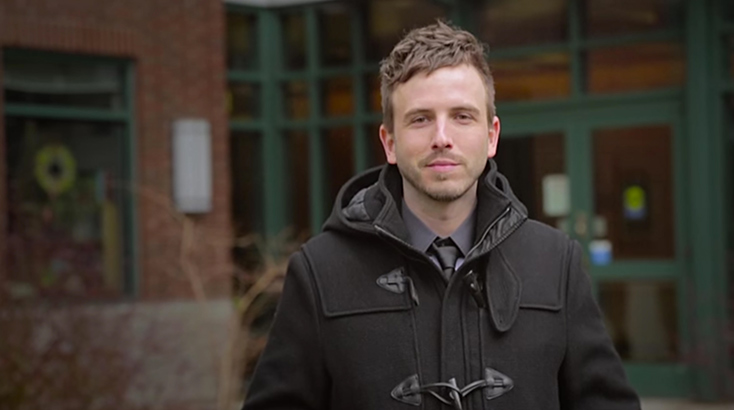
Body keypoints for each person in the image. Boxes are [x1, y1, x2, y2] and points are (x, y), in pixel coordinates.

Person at [243, 21, 640, 410]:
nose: (442, 137)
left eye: (462, 116)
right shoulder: (319, 272)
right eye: (420, 118)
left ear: (491, 136)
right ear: (390, 142)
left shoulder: (556, 263)